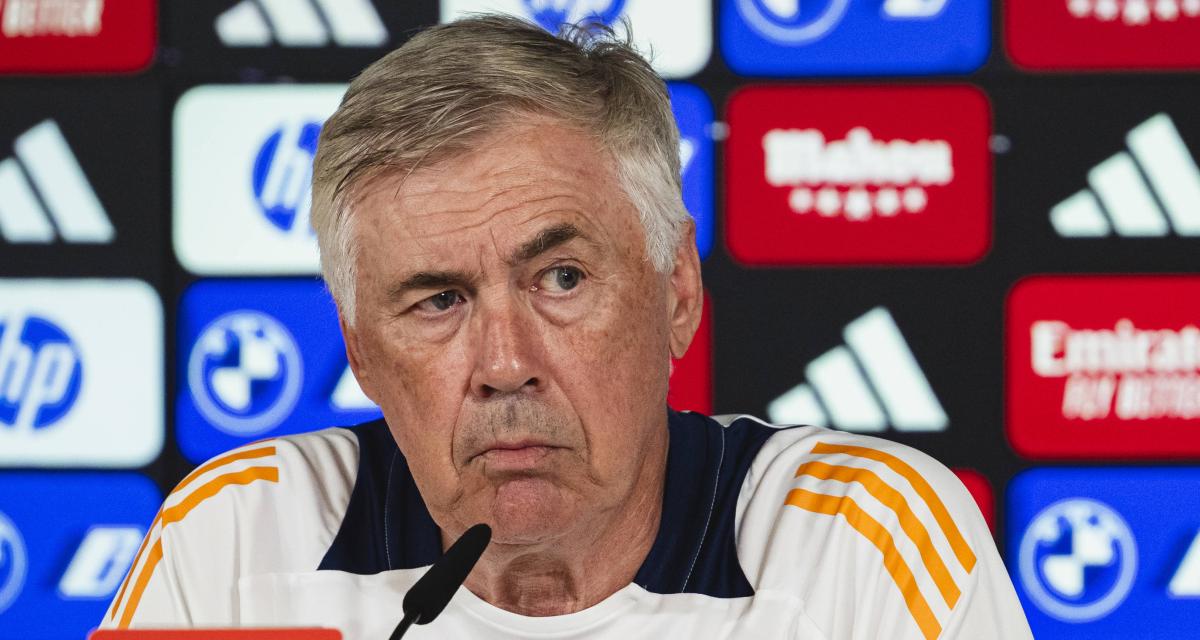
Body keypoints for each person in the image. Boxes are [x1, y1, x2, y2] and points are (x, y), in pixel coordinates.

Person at [101, 15, 1031, 639]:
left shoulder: (859, 547)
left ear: (677, 290)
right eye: (438, 300)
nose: (506, 364)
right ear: (359, 351)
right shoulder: (237, 541)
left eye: (562, 278)